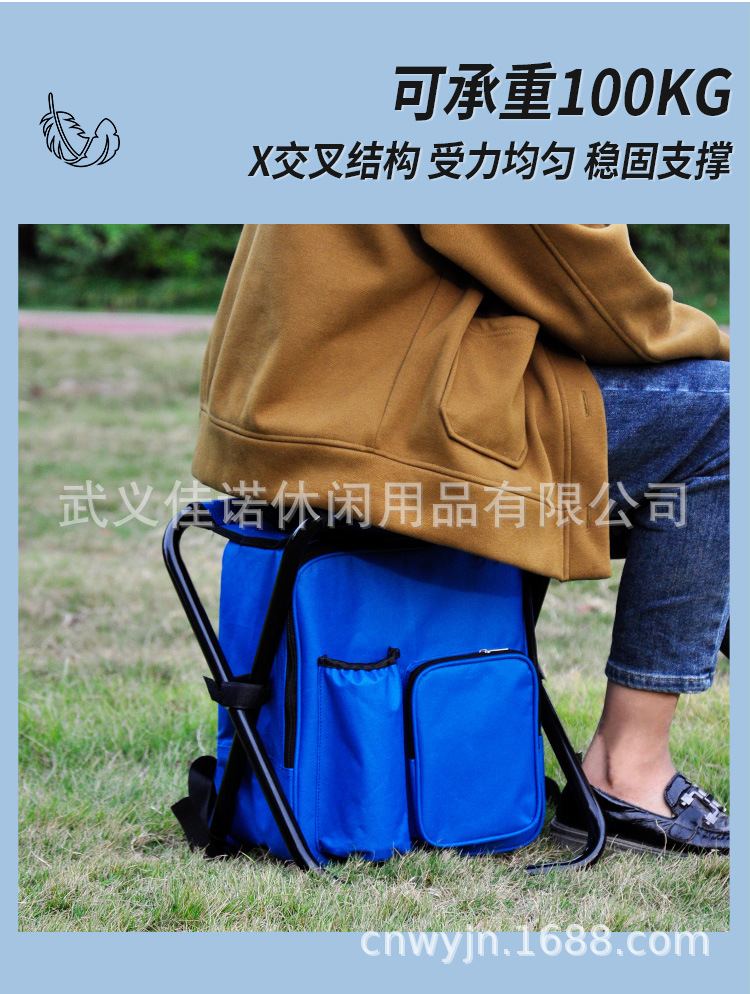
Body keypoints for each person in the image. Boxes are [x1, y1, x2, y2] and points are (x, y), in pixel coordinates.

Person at [192, 224, 729, 854]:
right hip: (386, 415)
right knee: (724, 415)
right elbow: (568, 260)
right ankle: (626, 770)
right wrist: (715, 344)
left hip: (297, 404)